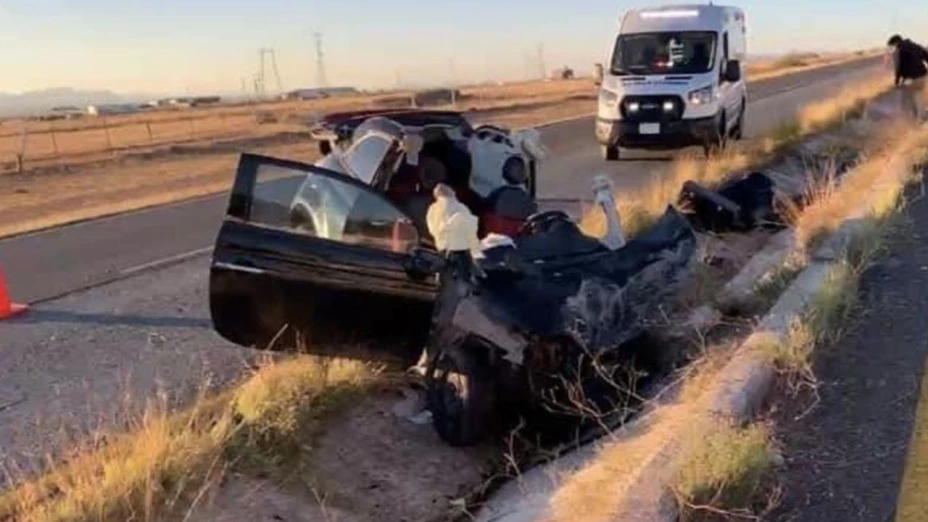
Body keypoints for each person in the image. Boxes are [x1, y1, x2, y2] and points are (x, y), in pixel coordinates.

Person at [888, 34, 928, 119]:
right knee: (918, 95)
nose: (894, 48)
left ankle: (913, 119)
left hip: (912, 78)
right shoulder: (916, 46)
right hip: (923, 75)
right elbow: (926, 56)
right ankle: (922, 114)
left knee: (906, 98)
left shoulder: (899, 50)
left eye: (893, 45)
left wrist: (897, 81)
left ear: (896, 42)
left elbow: (898, 67)